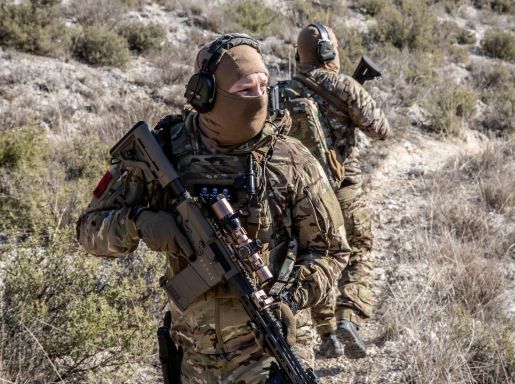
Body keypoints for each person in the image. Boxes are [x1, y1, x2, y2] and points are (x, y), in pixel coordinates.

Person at [77, 33, 350, 383]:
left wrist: (291, 298)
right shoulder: (165, 152)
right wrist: (139, 223)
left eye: (263, 85)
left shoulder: (291, 159)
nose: (258, 96)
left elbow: (330, 250)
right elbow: (89, 231)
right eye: (245, 88)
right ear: (205, 94)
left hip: (270, 353)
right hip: (194, 356)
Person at [287, 23, 390, 359]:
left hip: (302, 197)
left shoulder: (282, 91)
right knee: (359, 251)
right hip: (343, 189)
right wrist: (352, 99)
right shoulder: (344, 85)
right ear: (328, 51)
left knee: (315, 258)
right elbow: (380, 129)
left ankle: (326, 333)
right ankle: (349, 316)